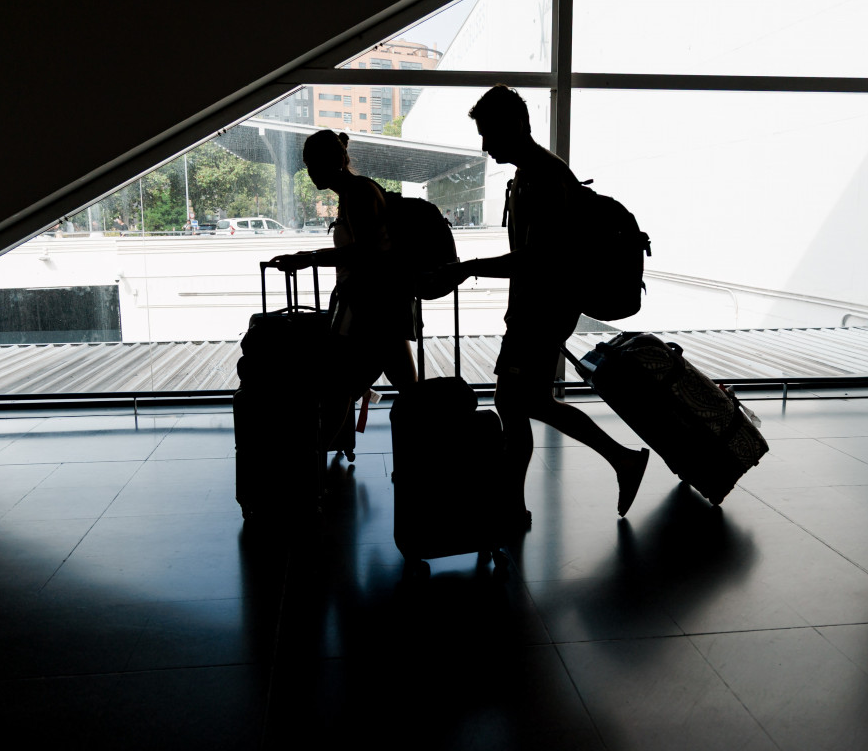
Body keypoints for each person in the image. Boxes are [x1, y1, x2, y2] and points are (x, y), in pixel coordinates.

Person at [433, 85, 650, 527]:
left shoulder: (546, 178)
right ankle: (610, 465)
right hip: (537, 311)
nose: (485, 145)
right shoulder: (529, 175)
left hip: (543, 313)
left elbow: (536, 260)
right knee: (524, 403)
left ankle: (520, 505)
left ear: (516, 125)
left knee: (516, 402)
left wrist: (467, 268)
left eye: (489, 133)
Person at [270, 129, 417, 452]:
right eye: (307, 165)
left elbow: (364, 253)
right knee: (402, 389)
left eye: (314, 164)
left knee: (339, 390)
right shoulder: (352, 194)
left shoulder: (358, 193)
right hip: (381, 306)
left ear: (335, 161)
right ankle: (428, 458)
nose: (310, 172)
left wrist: (310, 258)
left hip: (374, 309)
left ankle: (311, 468)